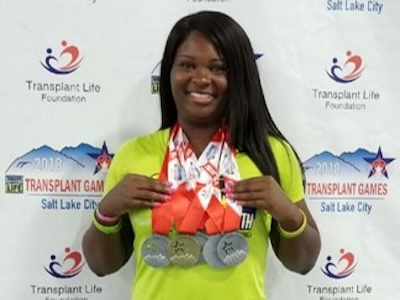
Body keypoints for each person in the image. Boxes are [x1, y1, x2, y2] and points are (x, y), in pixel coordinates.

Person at [82, 10, 321, 300]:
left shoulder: (271, 154)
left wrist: (289, 215)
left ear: (239, 77)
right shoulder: (134, 155)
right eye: (187, 65)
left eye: (219, 68)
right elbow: (101, 266)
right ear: (169, 72)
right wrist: (107, 212)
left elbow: (304, 263)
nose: (201, 78)